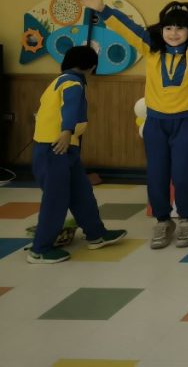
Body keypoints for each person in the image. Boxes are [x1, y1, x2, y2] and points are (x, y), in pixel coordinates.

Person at [84, 0, 188, 249]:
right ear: (162, 29)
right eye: (168, 28)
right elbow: (128, 28)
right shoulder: (151, 49)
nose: (173, 33)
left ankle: (186, 219)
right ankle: (163, 220)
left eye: (179, 28)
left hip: (186, 122)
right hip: (156, 123)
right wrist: (103, 10)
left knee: (183, 175)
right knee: (157, 175)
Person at [26, 46, 126, 263]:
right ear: (92, 67)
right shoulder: (73, 83)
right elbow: (70, 107)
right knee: (56, 199)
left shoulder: (59, 81)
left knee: (81, 193)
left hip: (65, 150)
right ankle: (40, 249)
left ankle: (96, 234)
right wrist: (66, 131)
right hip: (55, 148)